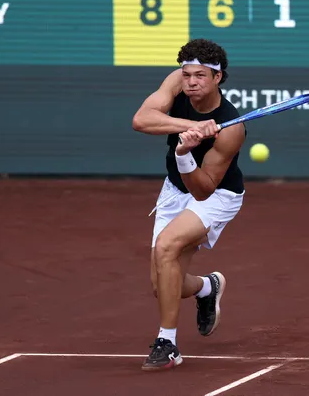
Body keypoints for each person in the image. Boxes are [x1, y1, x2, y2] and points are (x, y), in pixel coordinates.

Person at [132, 39, 246, 371]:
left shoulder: (232, 128)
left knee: (166, 247)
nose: (191, 82)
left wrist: (183, 156)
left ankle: (167, 344)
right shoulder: (177, 83)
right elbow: (141, 120)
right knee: (162, 285)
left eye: (200, 76)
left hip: (216, 196)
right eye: (187, 74)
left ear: (217, 78)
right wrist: (191, 128)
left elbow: (202, 190)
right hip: (173, 190)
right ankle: (207, 287)